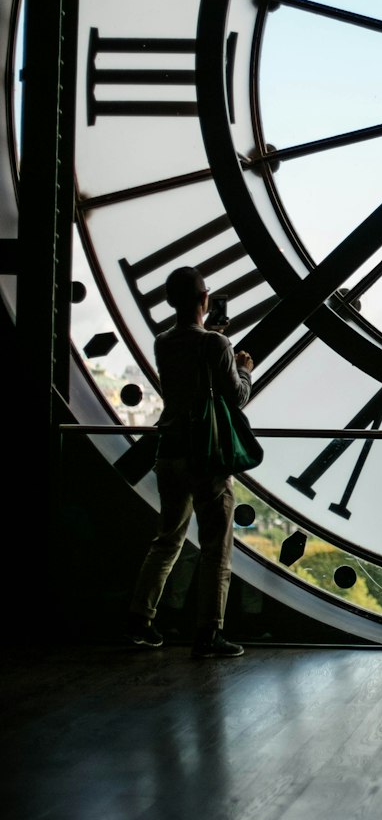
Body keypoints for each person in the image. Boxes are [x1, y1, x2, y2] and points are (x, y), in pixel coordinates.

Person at [128, 266, 254, 658]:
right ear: (205, 300)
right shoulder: (217, 348)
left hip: (170, 450)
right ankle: (209, 632)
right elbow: (235, 397)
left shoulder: (162, 342)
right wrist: (244, 368)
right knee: (216, 546)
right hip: (207, 455)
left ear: (171, 301)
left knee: (168, 539)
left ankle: (141, 620)